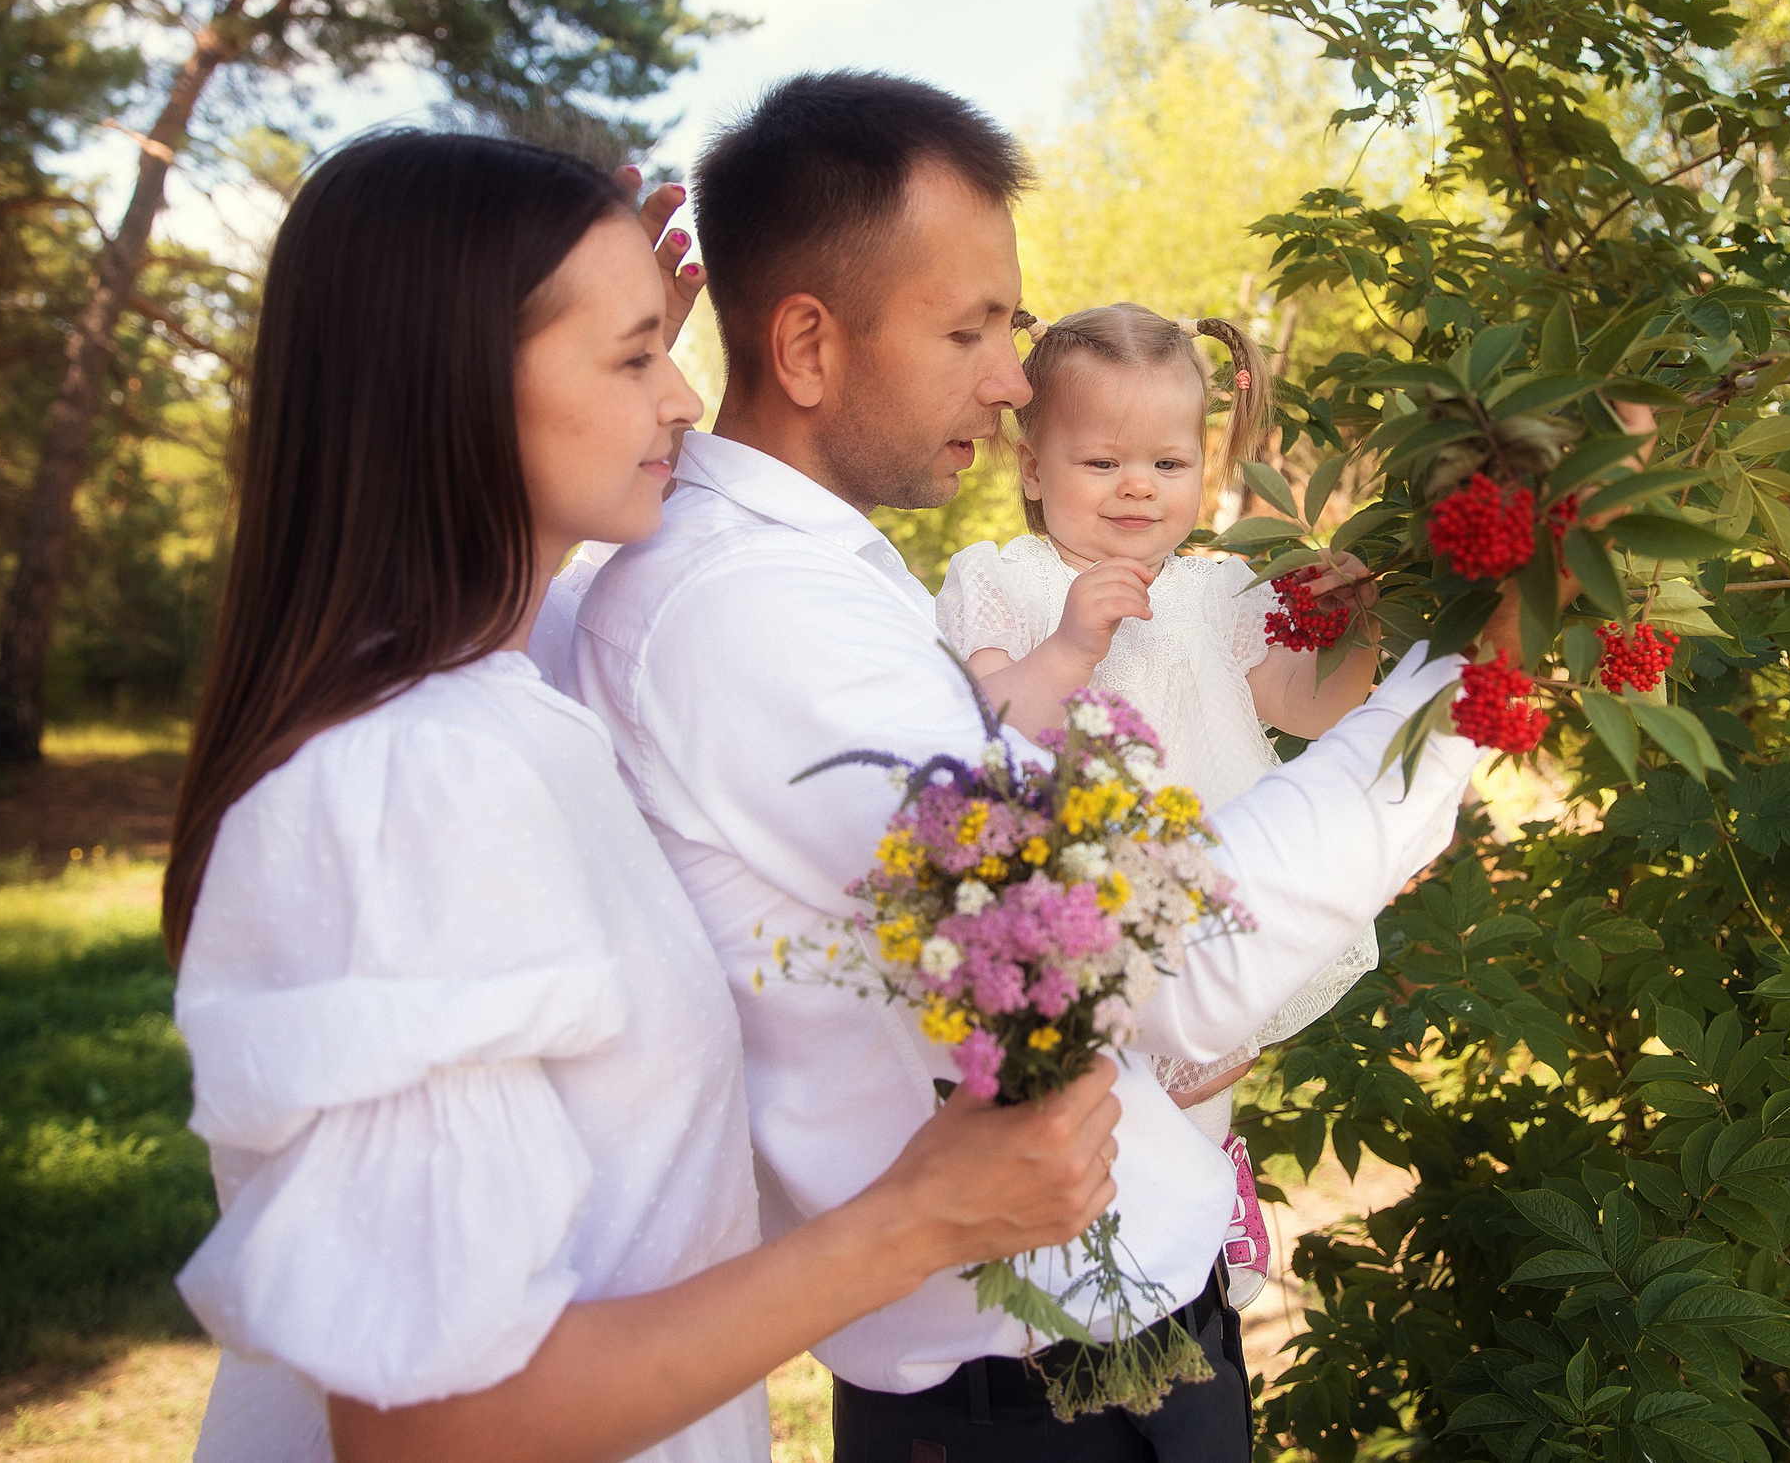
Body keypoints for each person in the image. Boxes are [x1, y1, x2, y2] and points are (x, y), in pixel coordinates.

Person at [161, 128, 1122, 1463]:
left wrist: (614, 311)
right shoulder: (408, 776)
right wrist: (920, 1218)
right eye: (632, 359)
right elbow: (441, 1425)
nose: (683, 398)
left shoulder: (510, 693)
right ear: (448, 391)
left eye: (666, 343)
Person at [565, 71, 1480, 1463]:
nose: (1009, 379)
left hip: (1078, 1342)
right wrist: (1471, 679)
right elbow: (1145, 951)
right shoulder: (756, 615)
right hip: (1035, 1394)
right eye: (969, 327)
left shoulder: (798, 579)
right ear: (806, 346)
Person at [933, 301, 1386, 1304]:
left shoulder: (1220, 589)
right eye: (1102, 464)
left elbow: (1306, 708)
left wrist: (1356, 628)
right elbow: (985, 719)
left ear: (1203, 468)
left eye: (1169, 465)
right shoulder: (1002, 580)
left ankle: (1210, 1179)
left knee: (1205, 1050)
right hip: (1075, 894)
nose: (1138, 487)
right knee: (1088, 1081)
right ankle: (1092, 1240)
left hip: (1203, 883)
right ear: (1032, 466)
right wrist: (1068, 651)